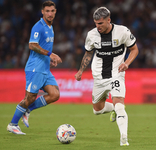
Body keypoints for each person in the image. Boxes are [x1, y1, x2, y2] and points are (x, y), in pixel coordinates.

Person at [75, 7, 139, 146]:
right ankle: (115, 110)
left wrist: (127, 63)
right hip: (99, 77)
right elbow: (88, 53)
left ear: (108, 20)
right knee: (97, 110)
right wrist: (80, 71)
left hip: (117, 74)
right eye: (96, 23)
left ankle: (124, 139)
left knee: (119, 103)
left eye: (101, 23)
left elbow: (134, 49)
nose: (98, 26)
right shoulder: (91, 35)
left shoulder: (122, 32)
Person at [7, 1, 62, 135]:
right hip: (35, 68)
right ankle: (12, 124)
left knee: (55, 94)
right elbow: (32, 45)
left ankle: (28, 110)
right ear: (42, 12)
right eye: (47, 11)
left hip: (45, 68)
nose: (50, 13)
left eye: (52, 11)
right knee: (30, 97)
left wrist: (49, 60)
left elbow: (44, 45)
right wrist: (50, 54)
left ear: (55, 12)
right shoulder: (38, 27)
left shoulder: (50, 27)